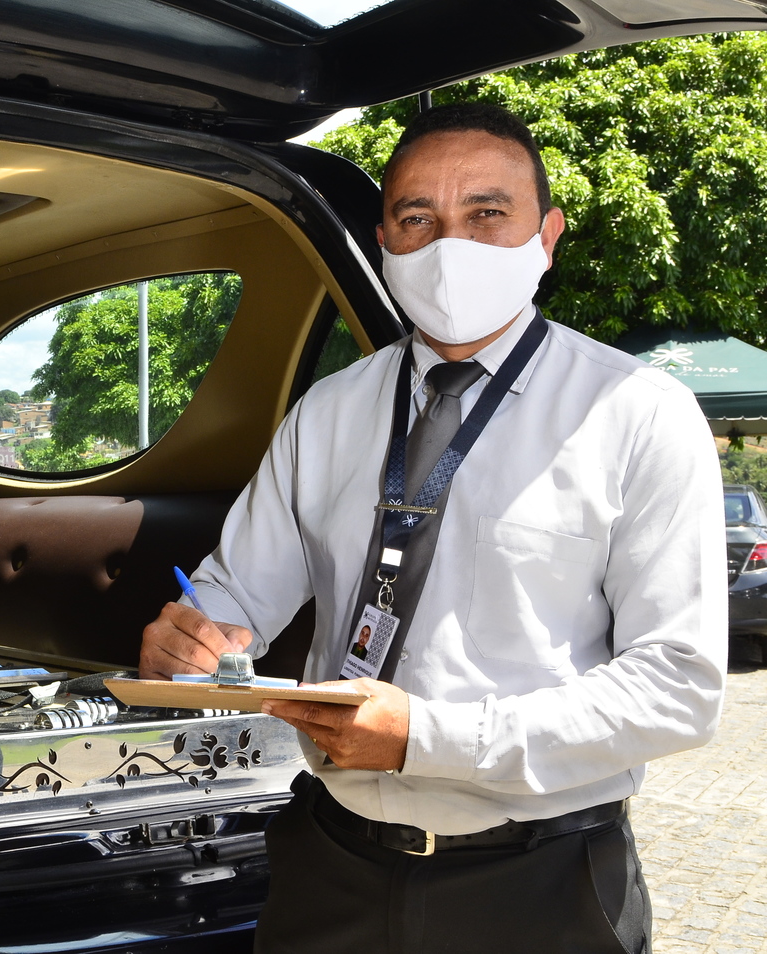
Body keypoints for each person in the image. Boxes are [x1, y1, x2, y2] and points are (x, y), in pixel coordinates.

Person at [140, 102, 725, 953]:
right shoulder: (328, 412)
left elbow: (679, 686)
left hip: (540, 886)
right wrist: (190, 643)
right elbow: (235, 595)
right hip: (330, 864)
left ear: (547, 235)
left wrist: (429, 738)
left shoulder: (637, 413)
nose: (451, 246)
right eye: (418, 218)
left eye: (488, 213)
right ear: (385, 241)